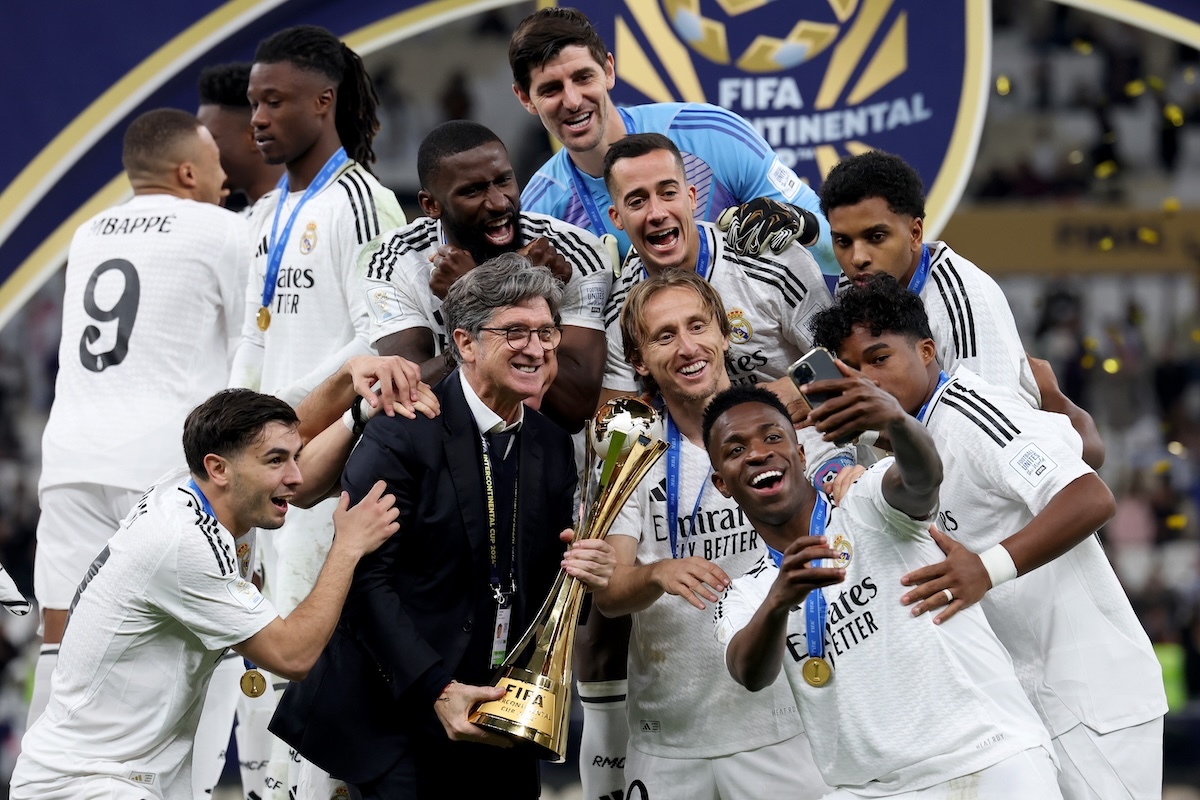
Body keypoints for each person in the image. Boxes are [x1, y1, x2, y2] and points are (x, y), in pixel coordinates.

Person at [270, 255, 617, 799]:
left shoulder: (551, 446)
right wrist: (437, 688)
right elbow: (363, 582)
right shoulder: (402, 431)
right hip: (398, 719)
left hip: (499, 718)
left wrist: (584, 578)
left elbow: (540, 586)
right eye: (516, 332)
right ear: (466, 342)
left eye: (547, 332)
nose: (537, 348)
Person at [807, 276, 1167, 799]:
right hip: (1023, 706)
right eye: (852, 369)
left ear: (927, 351)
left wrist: (986, 568)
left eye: (879, 357)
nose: (867, 379)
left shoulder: (970, 413)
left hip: (1092, 696)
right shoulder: (897, 454)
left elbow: (1090, 497)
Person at [10, 389, 401, 800]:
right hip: (87, 784)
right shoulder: (184, 542)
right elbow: (293, 656)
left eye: (293, 456)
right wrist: (347, 546)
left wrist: (351, 379)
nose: (296, 476)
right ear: (217, 468)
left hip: (122, 776)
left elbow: (269, 438)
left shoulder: (198, 488)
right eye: (277, 461)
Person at [708, 385, 1062, 798]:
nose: (756, 453)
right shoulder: (747, 594)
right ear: (722, 484)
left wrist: (897, 422)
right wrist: (778, 603)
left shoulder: (866, 503)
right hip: (869, 790)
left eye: (772, 437)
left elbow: (922, 480)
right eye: (735, 451)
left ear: (801, 455)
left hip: (987, 759)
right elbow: (749, 674)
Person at [228, 24, 407, 798]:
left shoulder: (363, 201)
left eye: (274, 101)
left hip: (317, 481)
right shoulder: (265, 213)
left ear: (323, 101)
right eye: (252, 103)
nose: (258, 118)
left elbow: (381, 349)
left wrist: (311, 453)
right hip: (260, 481)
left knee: (315, 681)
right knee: (260, 677)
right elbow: (249, 347)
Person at [29, 108, 249, 727]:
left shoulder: (90, 232)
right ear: (186, 172)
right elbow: (248, 356)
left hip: (71, 457)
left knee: (62, 636)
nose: (225, 175)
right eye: (214, 162)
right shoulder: (221, 229)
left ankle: (39, 784)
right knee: (194, 642)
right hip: (162, 465)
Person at [588, 270, 828, 800]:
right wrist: (656, 573)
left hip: (784, 726)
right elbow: (607, 596)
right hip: (668, 739)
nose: (687, 347)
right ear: (638, 360)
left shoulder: (785, 428)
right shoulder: (626, 447)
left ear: (725, 333)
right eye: (664, 335)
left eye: (698, 326)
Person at [509, 6, 835, 275]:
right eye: (550, 89)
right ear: (524, 98)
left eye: (583, 78)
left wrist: (803, 226)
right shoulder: (540, 212)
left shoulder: (712, 134)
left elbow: (840, 251)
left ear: (608, 70)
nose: (573, 100)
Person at [353, 119, 612, 432]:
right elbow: (409, 397)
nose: (499, 202)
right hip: (445, 455)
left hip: (546, 460)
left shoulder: (572, 251)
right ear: (430, 204)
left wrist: (473, 291)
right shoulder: (393, 258)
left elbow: (575, 408)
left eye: (503, 181)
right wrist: (471, 301)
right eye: (473, 191)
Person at [195, 59, 290, 800]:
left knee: (277, 658)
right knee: (239, 673)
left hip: (289, 479)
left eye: (207, 129)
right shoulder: (232, 227)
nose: (201, 143)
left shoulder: (326, 209)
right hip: (229, 481)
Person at [602, 133, 830, 417]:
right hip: (696, 453)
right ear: (616, 218)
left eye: (668, 193)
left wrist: (785, 394)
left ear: (691, 197)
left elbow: (846, 366)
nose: (656, 212)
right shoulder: (620, 309)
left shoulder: (770, 259)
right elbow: (617, 429)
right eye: (637, 201)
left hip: (809, 440)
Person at [820, 149, 1042, 408]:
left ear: (914, 233)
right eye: (843, 241)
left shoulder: (964, 300)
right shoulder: (858, 283)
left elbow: (985, 429)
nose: (857, 258)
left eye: (876, 237)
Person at [197, 61, 285, 210]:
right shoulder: (236, 222)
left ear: (254, 137)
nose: (196, 150)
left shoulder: (317, 212)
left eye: (208, 138)